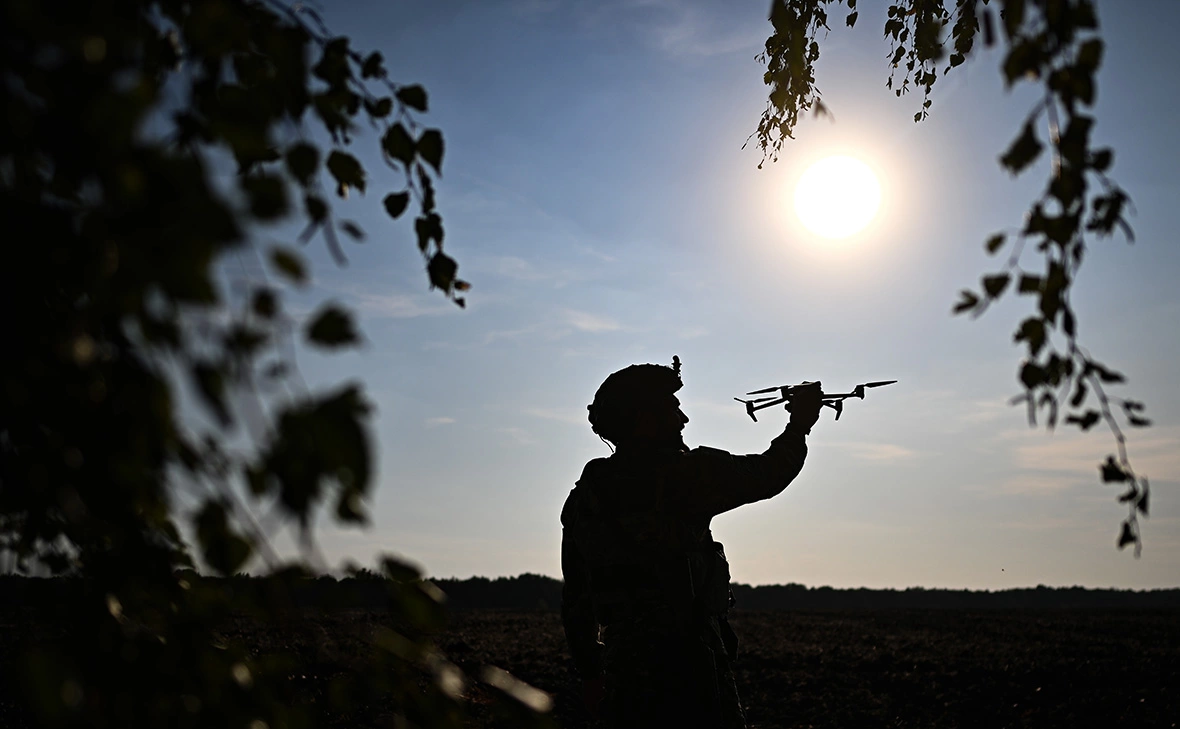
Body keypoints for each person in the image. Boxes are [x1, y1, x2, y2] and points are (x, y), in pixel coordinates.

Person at [560, 357, 823, 729]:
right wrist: (799, 424)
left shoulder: (587, 495)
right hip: (692, 666)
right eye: (672, 409)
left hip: (626, 670)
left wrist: (591, 674)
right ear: (643, 419)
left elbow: (577, 599)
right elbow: (769, 473)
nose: (683, 420)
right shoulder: (686, 475)